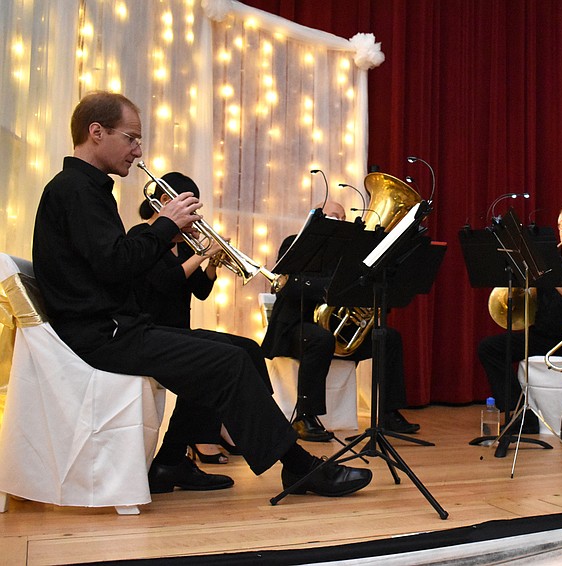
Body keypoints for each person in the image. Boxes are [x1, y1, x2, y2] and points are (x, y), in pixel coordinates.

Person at [32, 91, 371, 498]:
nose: (138, 151)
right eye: (131, 138)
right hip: (104, 335)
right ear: (97, 132)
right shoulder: (74, 189)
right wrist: (165, 225)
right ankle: (298, 468)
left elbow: (110, 266)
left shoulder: (85, 189)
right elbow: (116, 264)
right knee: (226, 362)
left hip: (115, 328)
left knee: (238, 350)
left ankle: (171, 462)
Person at [129, 171, 272, 476]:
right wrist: (204, 253)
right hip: (153, 330)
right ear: (165, 201)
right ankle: (199, 441)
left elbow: (201, 290)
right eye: (191, 209)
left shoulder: (181, 244)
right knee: (217, 358)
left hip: (179, 330)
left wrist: (213, 263)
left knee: (248, 347)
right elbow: (166, 282)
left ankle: (247, 415)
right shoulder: (142, 237)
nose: (195, 219)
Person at [261, 200, 419, 442]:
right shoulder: (294, 243)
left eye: (343, 218)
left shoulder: (350, 253)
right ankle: (305, 417)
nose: (341, 221)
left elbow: (361, 290)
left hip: (339, 331)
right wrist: (336, 289)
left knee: (389, 337)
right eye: (334, 216)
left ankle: (388, 413)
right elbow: (289, 286)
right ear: (316, 218)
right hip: (295, 327)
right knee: (320, 339)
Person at [477, 204, 562, 444]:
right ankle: (521, 414)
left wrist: (552, 276)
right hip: (544, 334)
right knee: (489, 348)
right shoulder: (545, 262)